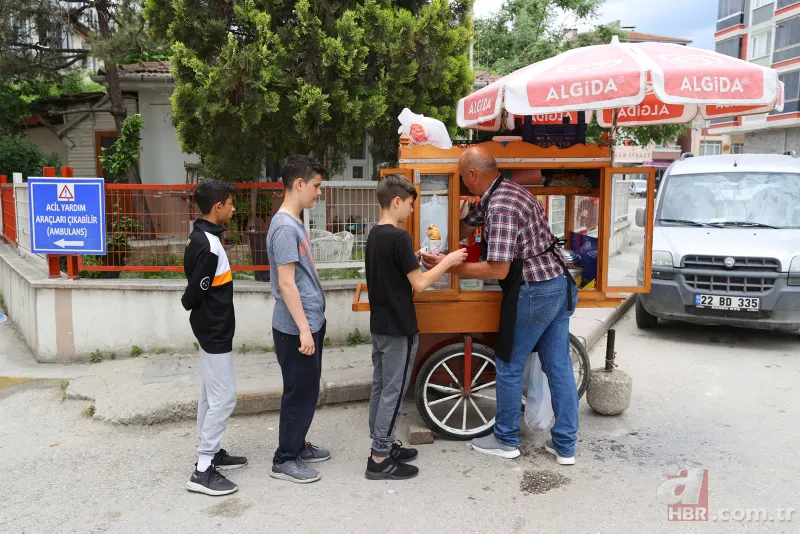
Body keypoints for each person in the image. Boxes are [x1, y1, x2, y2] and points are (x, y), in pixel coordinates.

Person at [421, 146, 579, 465]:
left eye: (463, 177)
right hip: (558, 284)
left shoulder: (502, 205)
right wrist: (442, 240)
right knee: (558, 365)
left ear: (474, 174)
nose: (463, 184)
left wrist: (448, 265)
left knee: (508, 363)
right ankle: (565, 446)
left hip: (535, 289)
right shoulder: (502, 193)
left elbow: (498, 269)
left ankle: (505, 438)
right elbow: (469, 224)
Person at [365, 174, 467, 480]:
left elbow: (394, 270)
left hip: (380, 324)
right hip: (399, 327)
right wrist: (447, 261)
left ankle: (381, 444)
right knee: (393, 392)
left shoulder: (375, 235)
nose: (411, 211)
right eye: (410, 204)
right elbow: (420, 284)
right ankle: (379, 459)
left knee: (381, 387)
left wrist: (415, 258)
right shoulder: (399, 237)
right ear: (396, 202)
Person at [182, 178, 248, 496]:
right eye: (231, 204)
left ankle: (212, 451)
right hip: (214, 331)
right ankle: (203, 468)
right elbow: (194, 293)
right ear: (217, 206)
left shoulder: (201, 236)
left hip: (209, 329)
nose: (234, 209)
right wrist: (191, 303)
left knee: (210, 396)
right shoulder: (209, 245)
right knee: (225, 398)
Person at [267, 155, 330, 484]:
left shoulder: (294, 223)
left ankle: (298, 444)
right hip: (295, 328)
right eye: (316, 186)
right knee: (298, 392)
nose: (319, 193)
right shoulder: (283, 228)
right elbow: (287, 283)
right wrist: (304, 330)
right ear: (299, 184)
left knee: (307, 389)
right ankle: (285, 459)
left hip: (307, 323)